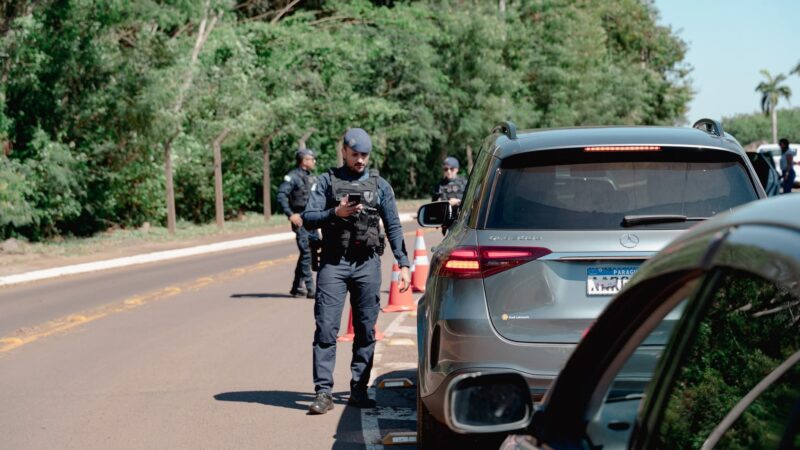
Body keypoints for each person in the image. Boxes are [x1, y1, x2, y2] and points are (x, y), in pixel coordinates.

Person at [301, 128, 411, 414]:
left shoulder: (380, 186)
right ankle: (323, 392)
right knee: (326, 328)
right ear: (344, 152)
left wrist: (404, 262)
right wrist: (334, 214)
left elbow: (394, 225)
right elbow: (308, 218)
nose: (360, 160)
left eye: (364, 155)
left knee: (365, 329)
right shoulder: (326, 181)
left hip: (367, 264)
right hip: (334, 264)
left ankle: (359, 389)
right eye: (355, 154)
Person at [276, 147, 320, 298]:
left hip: (312, 219)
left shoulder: (311, 177)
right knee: (306, 252)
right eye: (311, 159)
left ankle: (296, 287)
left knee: (309, 253)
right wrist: (290, 214)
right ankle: (311, 289)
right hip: (300, 219)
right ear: (304, 161)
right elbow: (281, 195)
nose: (314, 161)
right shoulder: (293, 177)